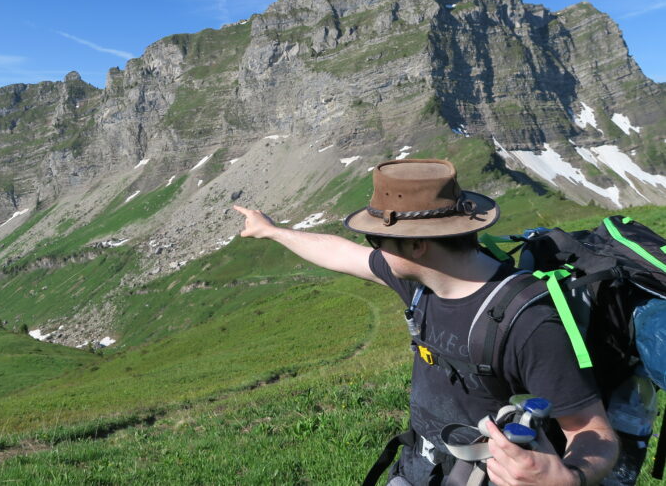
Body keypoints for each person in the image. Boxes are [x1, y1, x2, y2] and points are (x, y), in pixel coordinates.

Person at [234, 159, 618, 485]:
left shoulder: (528, 322)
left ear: (419, 245)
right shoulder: (418, 281)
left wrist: (570, 477)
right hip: (421, 465)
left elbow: (592, 430)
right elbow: (339, 253)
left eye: (378, 238)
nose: (375, 249)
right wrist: (272, 231)